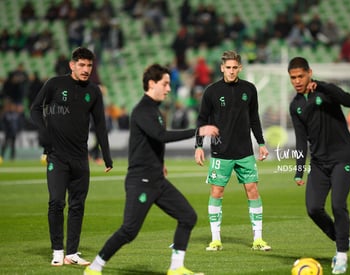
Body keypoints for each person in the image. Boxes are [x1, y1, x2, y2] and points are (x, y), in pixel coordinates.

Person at [84, 64, 218, 275]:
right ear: (151, 83)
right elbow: (160, 136)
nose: (168, 89)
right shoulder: (143, 110)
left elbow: (151, 142)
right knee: (129, 230)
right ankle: (94, 267)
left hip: (156, 179)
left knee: (188, 217)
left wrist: (159, 163)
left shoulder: (154, 111)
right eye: (165, 84)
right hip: (141, 181)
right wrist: (198, 131)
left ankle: (176, 268)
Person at [30, 47, 113, 267]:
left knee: (77, 205)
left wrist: (106, 156)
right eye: (82, 65)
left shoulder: (94, 91)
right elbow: (35, 109)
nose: (86, 70)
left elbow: (101, 125)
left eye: (89, 66)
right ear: (72, 65)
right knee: (56, 202)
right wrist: (44, 133)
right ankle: (58, 251)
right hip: (57, 157)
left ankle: (72, 253)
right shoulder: (55, 84)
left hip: (80, 158)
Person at [194, 50, 271, 252]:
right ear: (222, 68)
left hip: (245, 151)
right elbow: (202, 120)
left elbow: (254, 118)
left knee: (252, 191)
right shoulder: (211, 91)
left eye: (234, 67)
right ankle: (216, 239)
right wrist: (199, 146)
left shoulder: (250, 89)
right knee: (217, 192)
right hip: (220, 152)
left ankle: (258, 239)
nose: (231, 71)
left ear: (240, 68)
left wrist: (261, 143)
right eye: (227, 68)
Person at [288, 57, 350, 274]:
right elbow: (301, 140)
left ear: (310, 72)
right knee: (313, 208)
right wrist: (299, 170)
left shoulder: (326, 92)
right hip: (319, 163)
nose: (297, 81)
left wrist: (324, 85)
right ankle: (341, 238)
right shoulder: (296, 106)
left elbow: (349, 101)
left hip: (342, 158)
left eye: (300, 76)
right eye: (293, 78)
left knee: (338, 205)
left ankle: (342, 255)